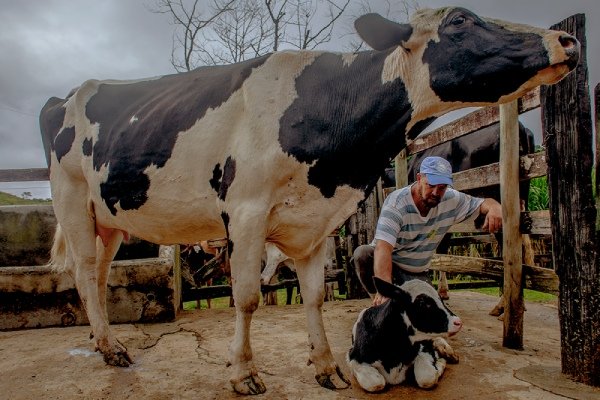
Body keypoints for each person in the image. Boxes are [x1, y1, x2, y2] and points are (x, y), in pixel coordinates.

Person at [353, 156, 503, 306]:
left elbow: (482, 203)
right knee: (363, 254)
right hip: (389, 265)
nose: (436, 192)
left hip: (416, 273)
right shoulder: (396, 204)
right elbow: (382, 248)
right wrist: (385, 289)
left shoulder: (451, 199)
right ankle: (379, 304)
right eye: (431, 185)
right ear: (419, 178)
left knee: (428, 311)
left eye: (442, 187)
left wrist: (494, 206)